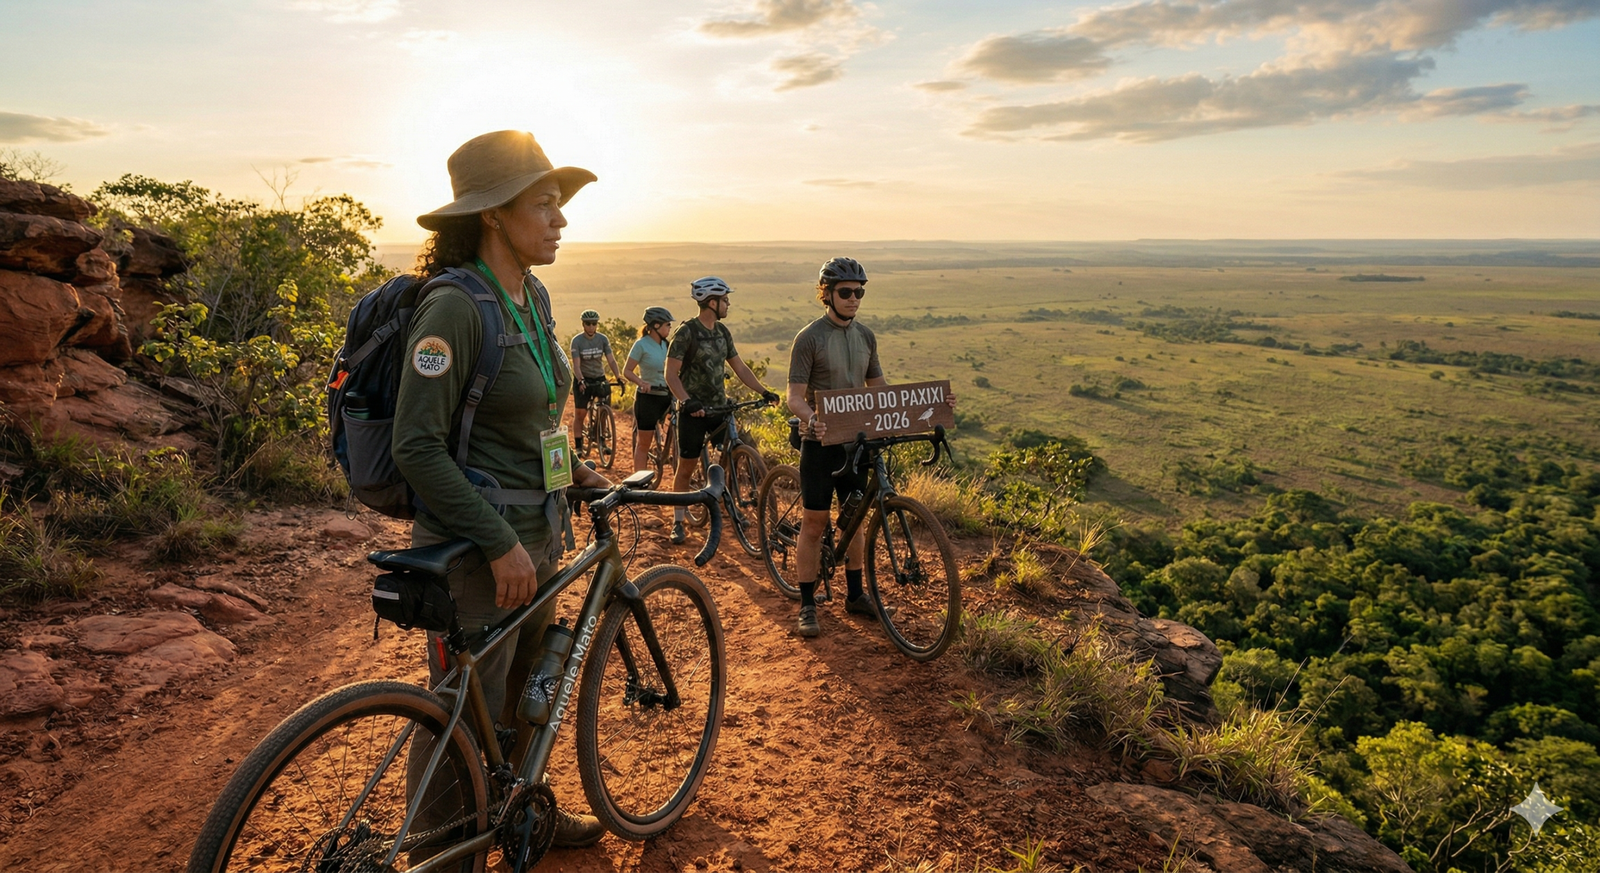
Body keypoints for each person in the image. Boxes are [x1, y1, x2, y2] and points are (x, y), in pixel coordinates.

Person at [394, 129, 609, 850]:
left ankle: (521, 816)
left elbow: (537, 414)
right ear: (492, 214)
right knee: (461, 715)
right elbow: (415, 446)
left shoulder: (532, 295)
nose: (560, 218)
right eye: (544, 203)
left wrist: (575, 473)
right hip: (477, 554)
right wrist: (497, 542)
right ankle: (437, 854)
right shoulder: (454, 308)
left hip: (537, 535)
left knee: (524, 690)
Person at [783, 257, 952, 638]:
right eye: (846, 292)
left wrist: (931, 407)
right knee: (815, 523)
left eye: (860, 292)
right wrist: (812, 417)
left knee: (855, 518)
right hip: (820, 443)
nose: (854, 299)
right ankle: (807, 603)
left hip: (857, 443)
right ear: (826, 294)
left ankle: (856, 594)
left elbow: (880, 390)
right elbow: (793, 396)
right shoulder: (809, 338)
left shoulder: (866, 337)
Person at [663, 276, 780, 545]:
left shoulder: (722, 332)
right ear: (711, 303)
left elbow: (739, 368)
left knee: (727, 457)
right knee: (686, 468)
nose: (728, 304)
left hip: (720, 408)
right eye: (725, 300)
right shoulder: (686, 332)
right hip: (694, 412)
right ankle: (678, 520)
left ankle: (728, 503)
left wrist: (763, 391)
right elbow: (670, 374)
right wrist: (686, 401)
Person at [624, 305, 675, 473]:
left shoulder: (667, 345)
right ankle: (638, 481)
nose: (670, 328)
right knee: (643, 444)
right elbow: (627, 371)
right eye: (667, 324)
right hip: (648, 397)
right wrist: (641, 382)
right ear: (656, 326)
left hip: (667, 395)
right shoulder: (641, 345)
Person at [570, 309, 622, 454]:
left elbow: (611, 360)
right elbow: (576, 365)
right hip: (583, 378)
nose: (591, 327)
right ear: (583, 324)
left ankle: (602, 441)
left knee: (604, 410)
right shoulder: (577, 341)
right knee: (580, 413)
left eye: (594, 323)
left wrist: (618, 376)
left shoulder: (603, 339)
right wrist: (581, 380)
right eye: (588, 324)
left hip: (599, 377)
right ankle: (579, 446)